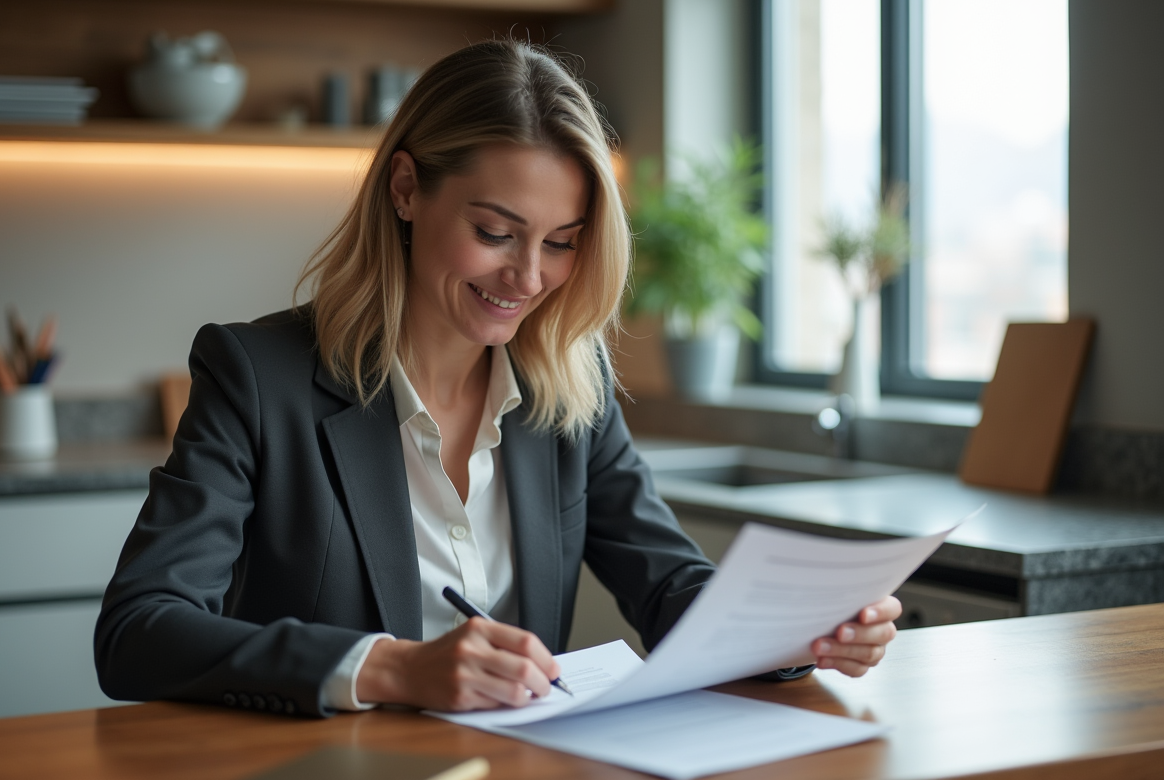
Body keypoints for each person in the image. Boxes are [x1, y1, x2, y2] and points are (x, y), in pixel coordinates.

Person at [95, 40, 900, 718]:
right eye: (495, 232)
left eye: (561, 242)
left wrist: (794, 632)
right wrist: (390, 669)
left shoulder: (566, 387)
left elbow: (670, 585)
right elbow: (139, 630)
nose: (527, 276)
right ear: (406, 190)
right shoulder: (257, 377)